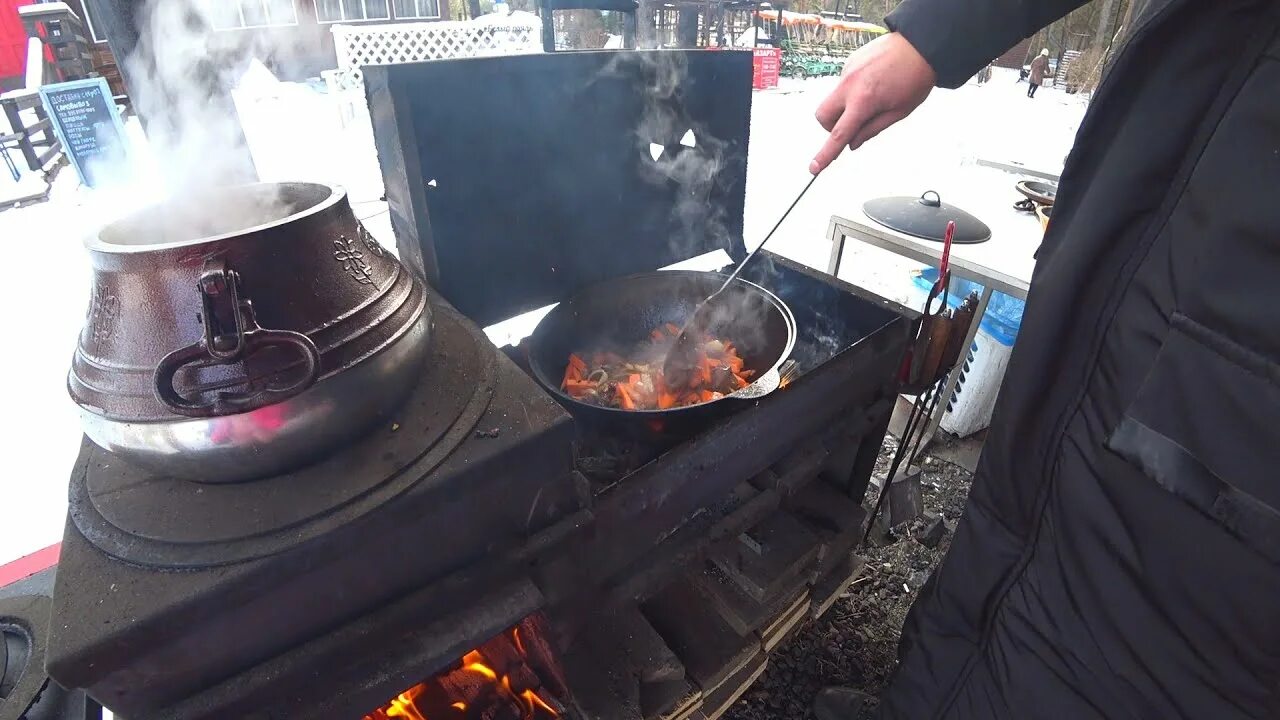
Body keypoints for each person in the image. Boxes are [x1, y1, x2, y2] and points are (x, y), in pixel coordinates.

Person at [808, 0, 1280, 718]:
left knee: (1137, 619)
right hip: (1142, 216)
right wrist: (939, 34)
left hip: (1242, 340)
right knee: (1025, 500)